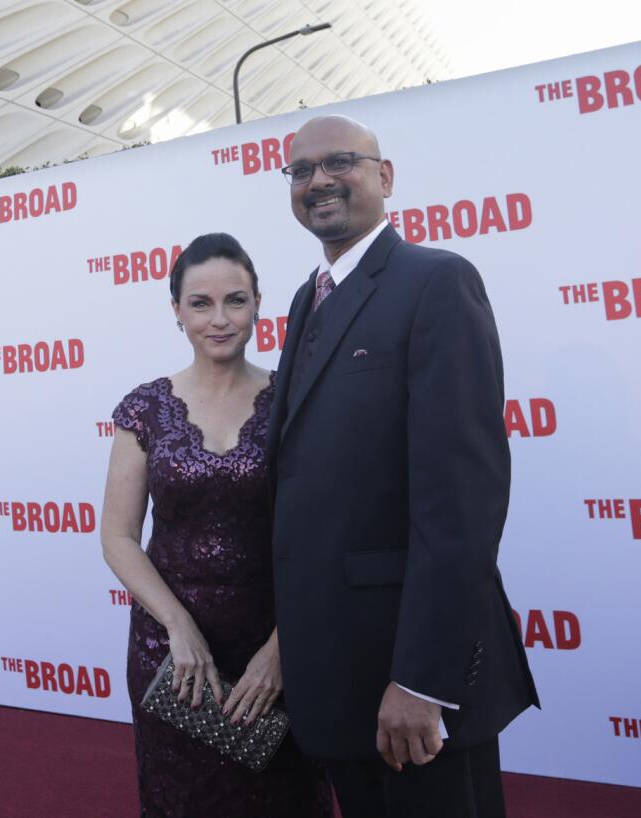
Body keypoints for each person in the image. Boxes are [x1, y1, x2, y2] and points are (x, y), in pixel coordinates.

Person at [266, 115, 540, 817]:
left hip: (411, 683)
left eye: (340, 163)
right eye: (301, 171)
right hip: (337, 677)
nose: (319, 181)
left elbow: (462, 500)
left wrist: (423, 681)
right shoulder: (306, 299)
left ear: (384, 179)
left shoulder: (437, 282)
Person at [101, 233, 332, 817]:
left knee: (285, 796)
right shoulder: (144, 408)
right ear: (176, 311)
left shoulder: (293, 400)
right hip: (171, 650)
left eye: (235, 300)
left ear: (259, 304)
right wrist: (178, 626)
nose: (219, 319)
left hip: (278, 643)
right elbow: (118, 536)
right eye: (200, 303)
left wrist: (284, 649)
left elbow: (323, 535)